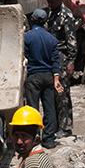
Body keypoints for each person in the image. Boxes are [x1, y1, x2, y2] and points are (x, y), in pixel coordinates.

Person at [23, 8, 63, 149]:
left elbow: (24, 57)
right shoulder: (52, 39)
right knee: (50, 108)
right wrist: (56, 79)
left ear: (32, 20)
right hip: (48, 76)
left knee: (33, 108)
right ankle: (49, 139)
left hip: (33, 76)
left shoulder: (27, 37)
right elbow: (56, 61)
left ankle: (33, 138)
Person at [45, 0, 78, 140]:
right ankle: (56, 124)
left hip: (62, 57)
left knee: (62, 93)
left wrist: (71, 61)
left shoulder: (66, 15)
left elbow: (71, 40)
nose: (50, 4)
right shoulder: (52, 13)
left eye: (52, 1)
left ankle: (65, 127)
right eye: (49, 2)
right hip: (52, 56)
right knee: (53, 92)